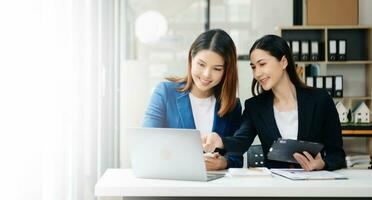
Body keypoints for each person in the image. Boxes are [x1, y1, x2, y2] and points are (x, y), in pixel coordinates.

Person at [202, 34, 346, 171]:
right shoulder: (255, 106)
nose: (257, 73)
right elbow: (241, 142)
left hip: (313, 186)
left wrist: (322, 163)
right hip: (276, 188)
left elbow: (337, 154)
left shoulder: (320, 99)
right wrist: (219, 141)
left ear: (283, 62)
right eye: (253, 67)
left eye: (262, 64)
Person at [143, 29, 243, 170]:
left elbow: (237, 157)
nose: (206, 74)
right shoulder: (165, 93)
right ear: (191, 59)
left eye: (217, 69)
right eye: (201, 64)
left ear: (226, 71)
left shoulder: (232, 105)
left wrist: (223, 163)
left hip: (215, 187)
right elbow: (147, 143)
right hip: (174, 183)